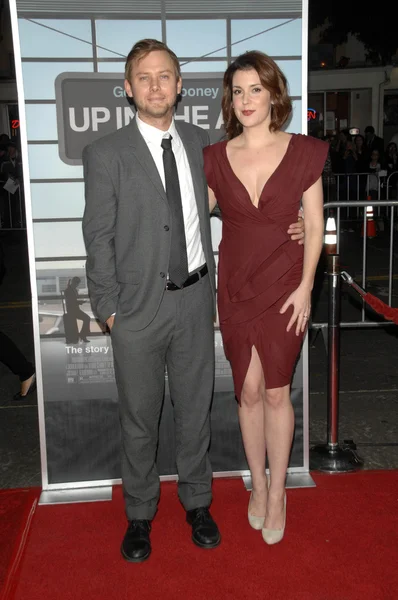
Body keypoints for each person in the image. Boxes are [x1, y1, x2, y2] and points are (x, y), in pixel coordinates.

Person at [82, 39, 305, 563]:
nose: (156, 86)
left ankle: (198, 504)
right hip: (134, 311)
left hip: (195, 302)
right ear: (128, 88)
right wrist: (108, 309)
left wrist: (290, 227)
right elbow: (97, 236)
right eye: (144, 77)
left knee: (194, 413)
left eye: (165, 76)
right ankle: (140, 515)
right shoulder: (105, 153)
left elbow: (247, 203)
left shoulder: (207, 145)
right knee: (139, 418)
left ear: (180, 85)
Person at [204, 51, 327, 545]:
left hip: (285, 286)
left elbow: (314, 224)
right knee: (248, 392)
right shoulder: (214, 158)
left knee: (277, 391)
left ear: (274, 93)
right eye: (238, 91)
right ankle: (256, 483)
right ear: (229, 102)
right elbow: (192, 221)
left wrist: (306, 288)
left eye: (256, 88)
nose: (247, 99)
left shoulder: (304, 152)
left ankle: (278, 492)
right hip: (235, 288)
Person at [63, 276, 91, 342]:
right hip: (73, 311)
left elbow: (72, 301)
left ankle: (82, 335)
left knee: (87, 318)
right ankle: (83, 335)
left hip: (74, 310)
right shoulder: (70, 290)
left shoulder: (70, 289)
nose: (77, 285)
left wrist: (79, 302)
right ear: (75, 283)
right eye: (77, 283)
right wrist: (81, 302)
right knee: (87, 318)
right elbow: (72, 301)